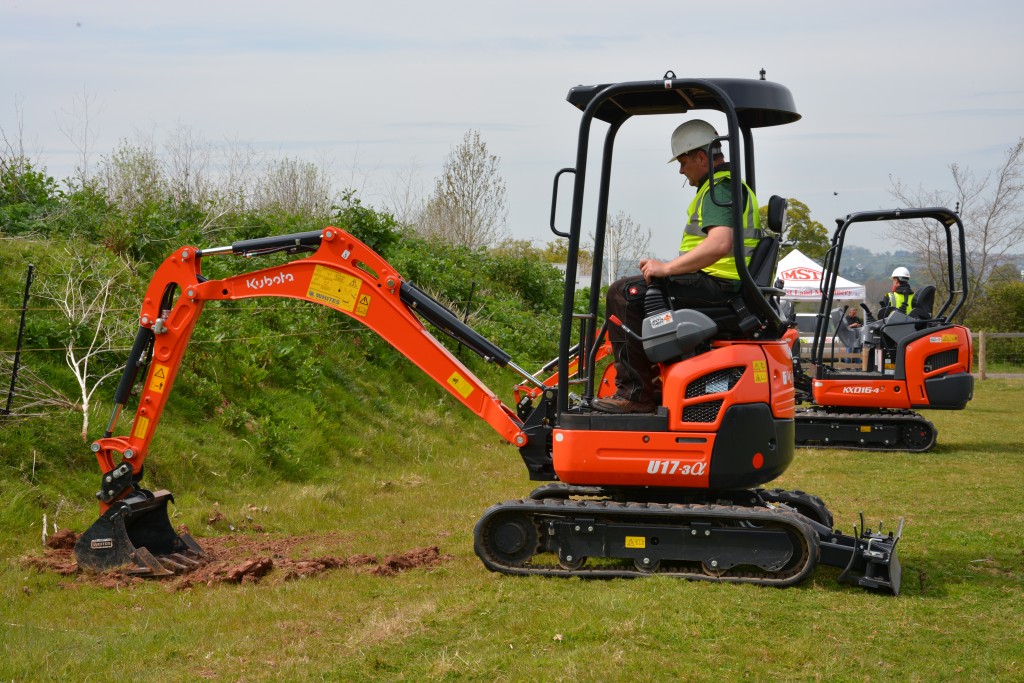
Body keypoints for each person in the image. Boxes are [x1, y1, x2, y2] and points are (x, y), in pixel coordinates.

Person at [592, 120, 761, 414]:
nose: (681, 171)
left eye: (683, 162)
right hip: (724, 288)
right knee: (639, 291)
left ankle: (636, 395)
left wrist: (667, 269)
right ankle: (656, 383)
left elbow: (720, 243)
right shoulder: (729, 187)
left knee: (624, 293)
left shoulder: (719, 190)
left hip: (720, 289)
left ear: (701, 157)